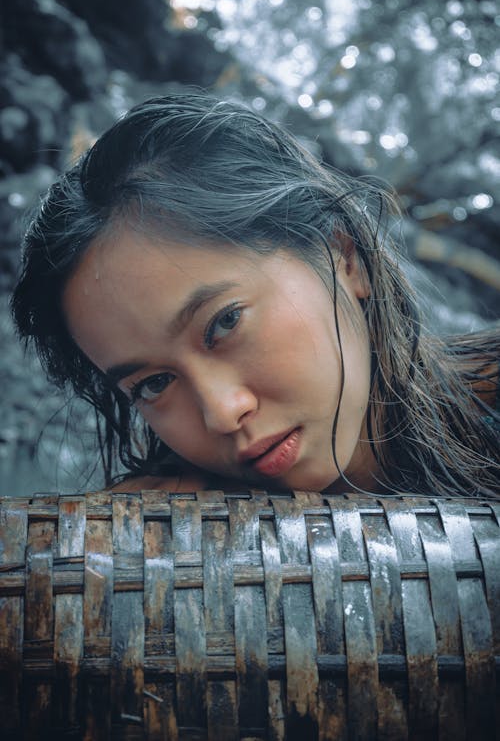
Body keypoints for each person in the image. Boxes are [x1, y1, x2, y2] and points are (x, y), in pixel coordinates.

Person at [10, 93, 500, 498]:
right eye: (153, 384)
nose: (222, 413)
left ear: (343, 256)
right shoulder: (159, 535)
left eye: (224, 322)